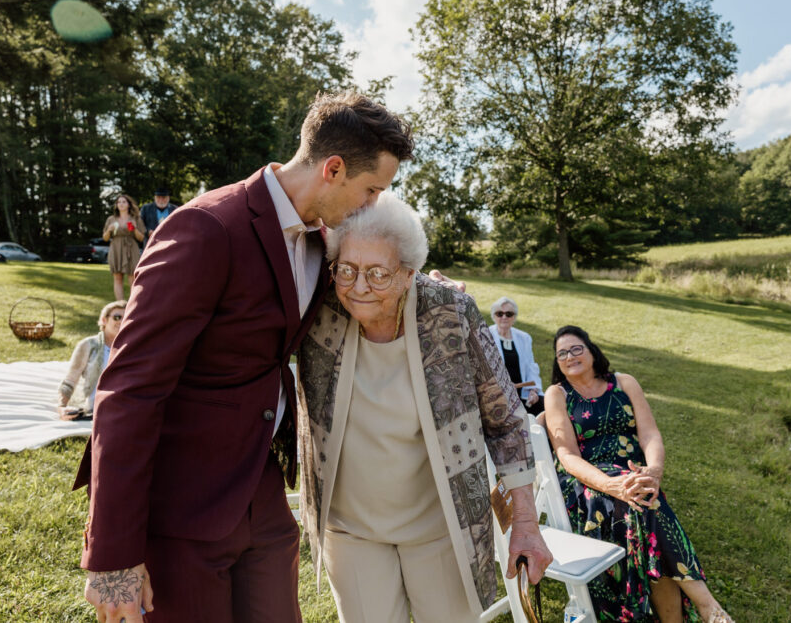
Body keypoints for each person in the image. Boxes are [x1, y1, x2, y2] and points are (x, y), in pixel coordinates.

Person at [73, 91, 415, 623]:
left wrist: (427, 291)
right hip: (182, 501)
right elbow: (130, 386)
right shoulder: (206, 228)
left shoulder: (324, 240)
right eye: (372, 190)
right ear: (334, 168)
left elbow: (359, 292)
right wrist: (112, 554)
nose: (372, 206)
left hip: (261, 488)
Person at [297, 194, 552, 622]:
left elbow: (506, 419)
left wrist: (525, 521)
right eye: (347, 269)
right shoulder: (318, 307)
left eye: (378, 273)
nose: (359, 286)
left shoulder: (450, 310)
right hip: (350, 528)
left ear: (409, 273)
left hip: (442, 525)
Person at [543, 325, 734, 623]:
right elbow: (567, 456)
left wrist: (654, 471)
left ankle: (701, 611)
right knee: (644, 504)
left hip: (633, 474)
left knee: (643, 500)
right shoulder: (557, 394)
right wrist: (611, 485)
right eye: (562, 353)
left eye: (576, 348)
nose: (570, 356)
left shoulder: (624, 383)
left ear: (592, 351)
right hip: (588, 481)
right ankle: (708, 606)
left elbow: (650, 435)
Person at [57, 301, 126, 420]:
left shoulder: (131, 348)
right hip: (92, 408)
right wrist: (62, 407)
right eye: (117, 317)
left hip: (122, 407)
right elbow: (69, 381)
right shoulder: (88, 345)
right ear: (104, 320)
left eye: (126, 318)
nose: (121, 321)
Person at [488, 296, 544, 416]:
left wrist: (533, 390)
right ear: (494, 316)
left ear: (514, 317)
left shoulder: (524, 337)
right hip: (498, 392)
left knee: (542, 409)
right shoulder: (486, 336)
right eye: (499, 314)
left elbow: (531, 366)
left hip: (521, 390)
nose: (504, 317)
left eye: (509, 314)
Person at [102, 193, 146, 300]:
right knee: (117, 277)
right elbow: (105, 238)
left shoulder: (135, 218)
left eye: (124, 202)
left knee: (132, 277)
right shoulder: (111, 219)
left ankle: (133, 305)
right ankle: (120, 304)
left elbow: (141, 238)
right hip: (116, 248)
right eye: (119, 202)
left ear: (129, 205)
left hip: (131, 247)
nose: (121, 204)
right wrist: (109, 230)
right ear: (116, 205)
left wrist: (134, 229)